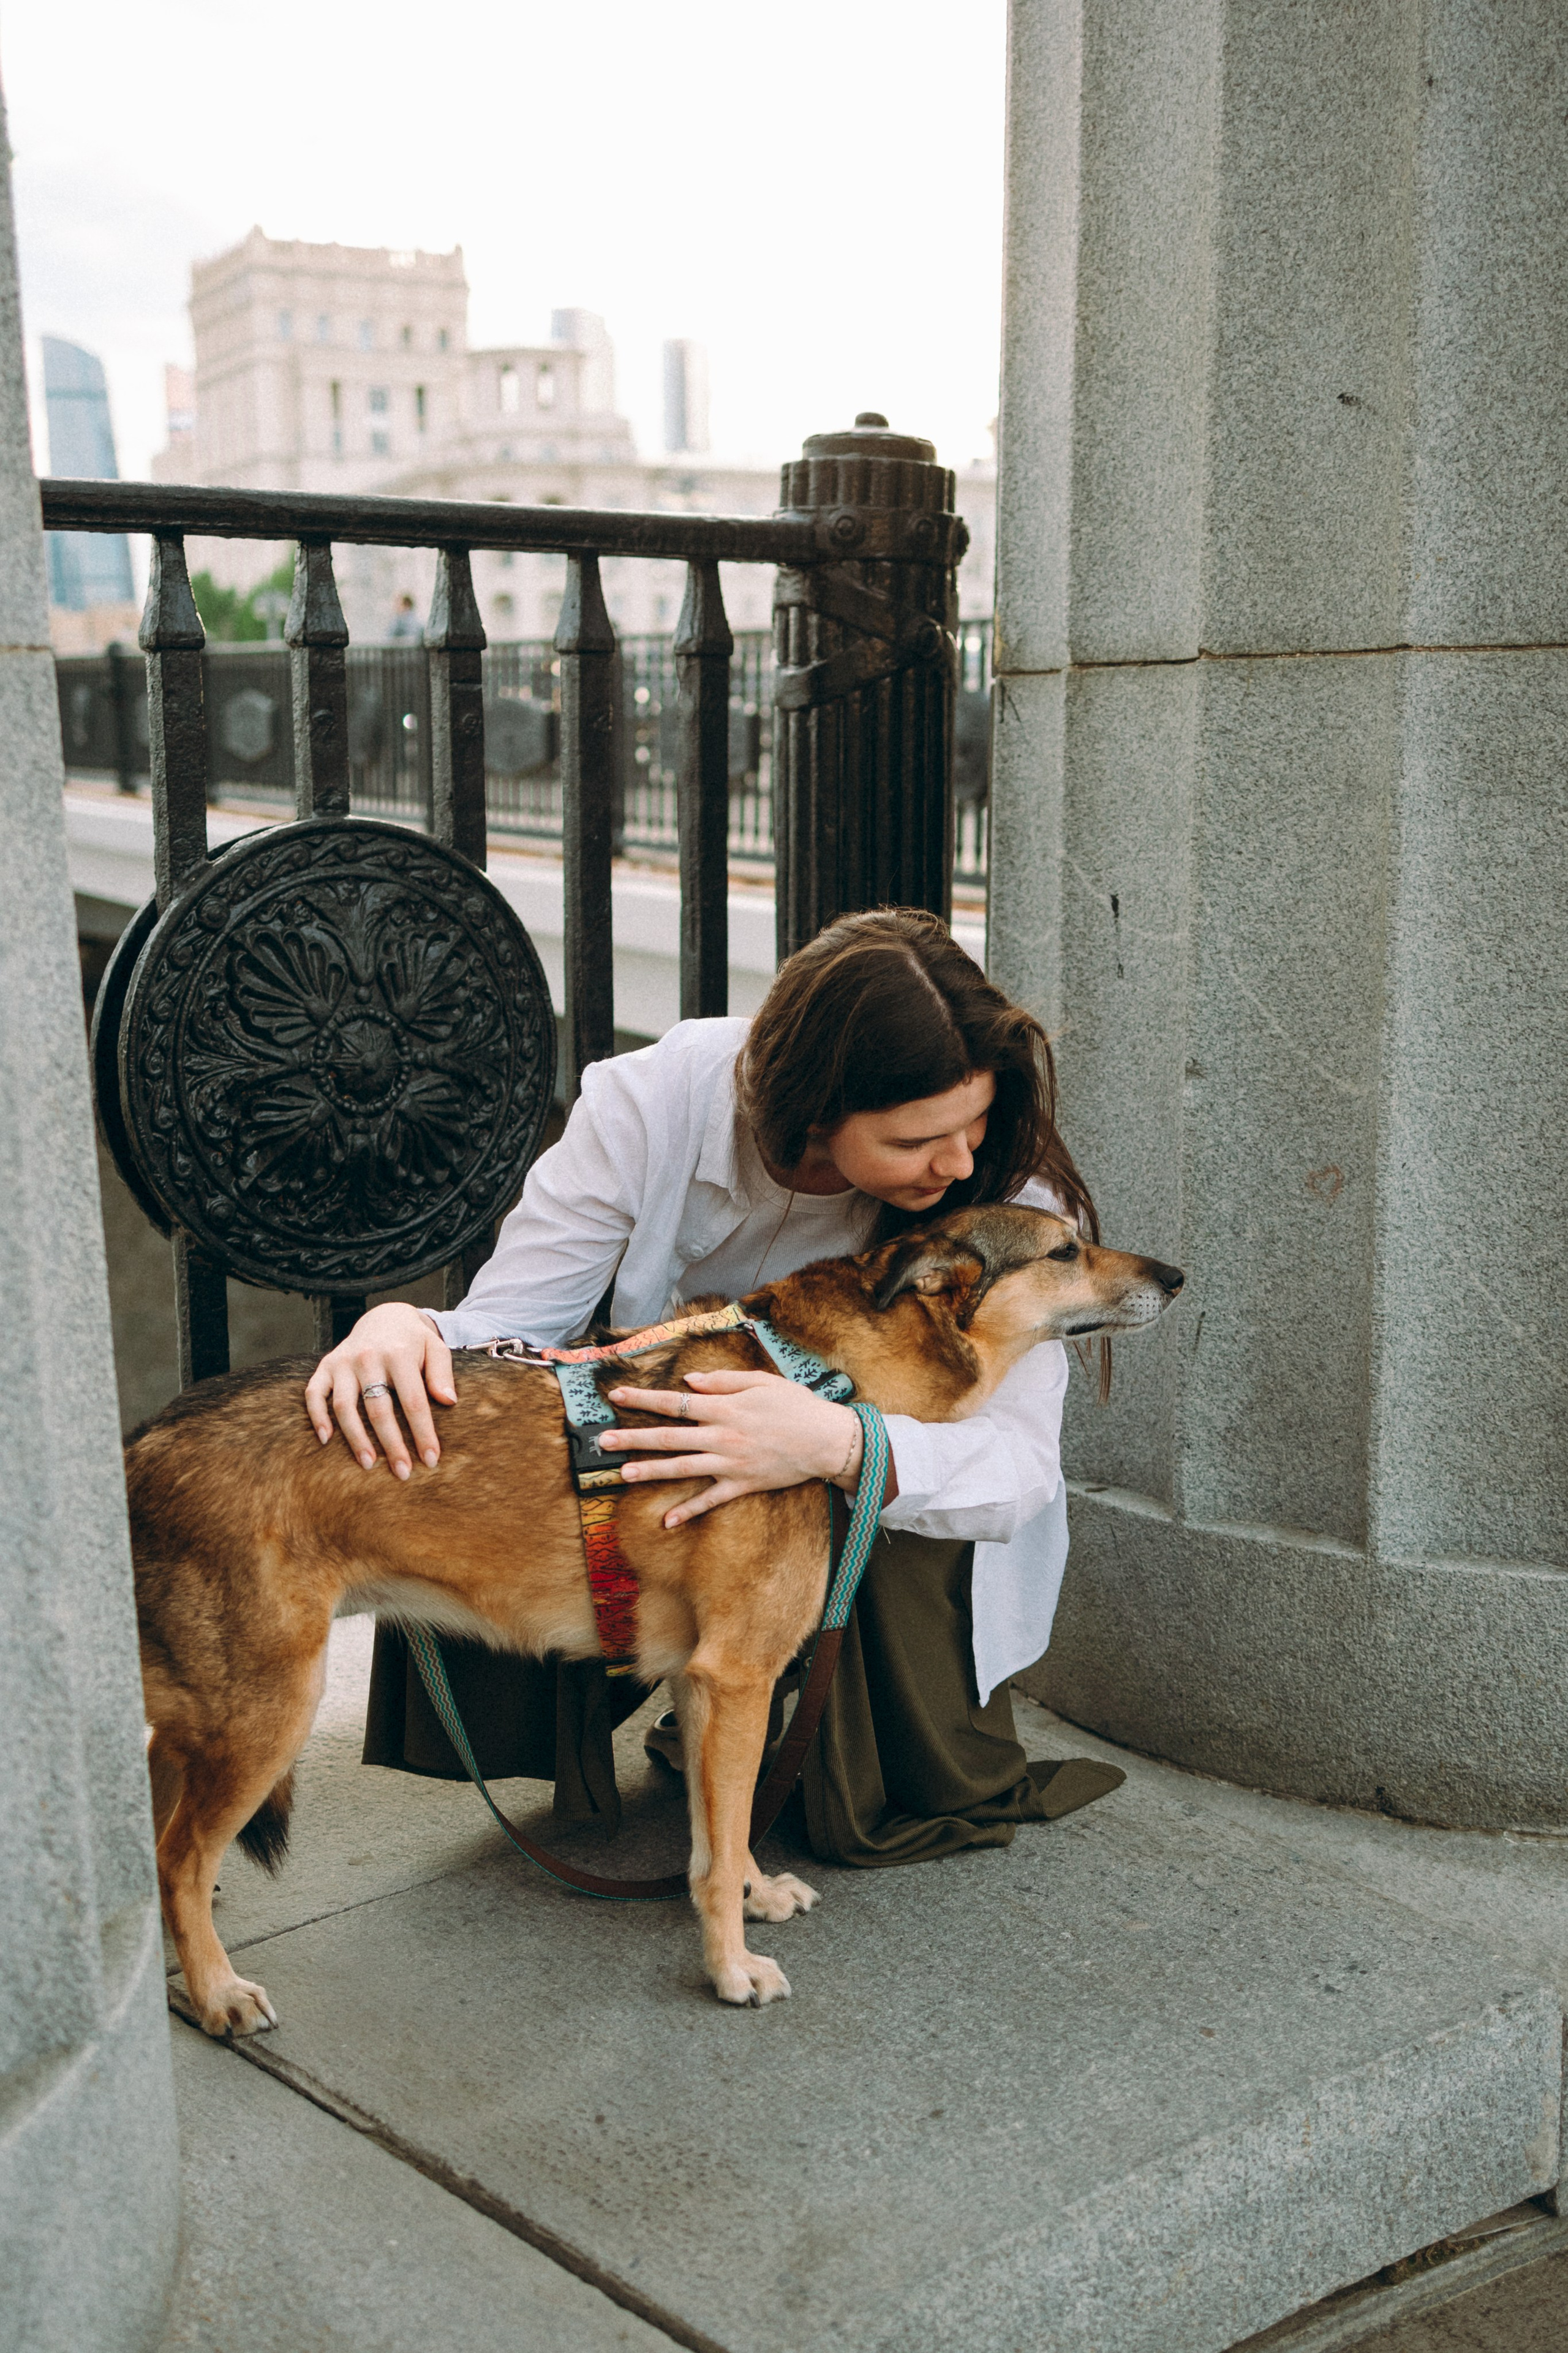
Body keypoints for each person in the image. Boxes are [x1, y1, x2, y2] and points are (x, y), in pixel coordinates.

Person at [307, 909, 1124, 1864]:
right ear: (817, 1114)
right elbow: (513, 1330)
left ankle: (783, 1698)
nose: (957, 1160)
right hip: (657, 1473)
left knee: (861, 1808)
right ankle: (632, 1691)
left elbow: (1021, 1468)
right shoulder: (651, 1102)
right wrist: (407, 1328)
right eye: (915, 1141)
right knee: (439, 1433)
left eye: (974, 1121)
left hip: (880, 1513)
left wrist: (837, 1442)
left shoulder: (1008, 1202)